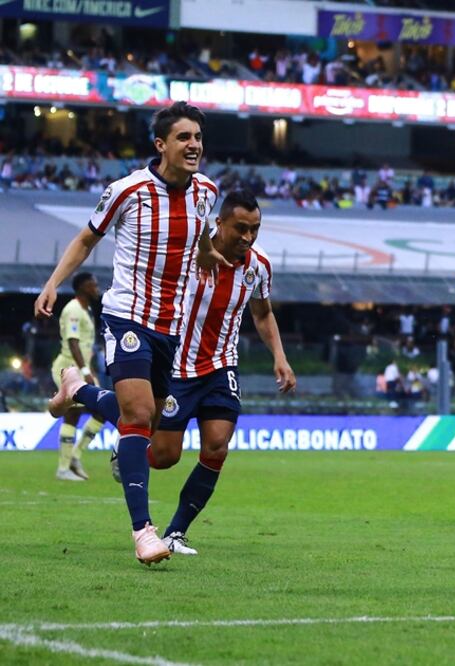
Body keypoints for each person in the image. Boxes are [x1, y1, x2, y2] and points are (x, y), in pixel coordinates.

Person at [38, 101, 226, 565]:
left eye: (198, 138)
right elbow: (86, 238)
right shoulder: (127, 190)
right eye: (184, 137)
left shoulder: (206, 192)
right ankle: (144, 531)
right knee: (138, 415)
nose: (194, 145)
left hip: (172, 327)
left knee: (149, 421)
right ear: (160, 145)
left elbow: (200, 237)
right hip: (127, 317)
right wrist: (52, 283)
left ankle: (78, 389)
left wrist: (207, 257)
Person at [64, 190, 296, 555]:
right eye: (241, 229)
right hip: (176, 367)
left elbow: (262, 313)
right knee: (163, 456)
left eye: (255, 229)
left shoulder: (259, 265)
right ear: (219, 223)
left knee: (218, 445)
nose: (248, 237)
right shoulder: (190, 256)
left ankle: (175, 532)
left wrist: (279, 356)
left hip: (221, 365)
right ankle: (81, 391)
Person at [51, 272, 106, 481]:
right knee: (73, 414)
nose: (97, 288)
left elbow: (84, 346)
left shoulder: (87, 310)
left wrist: (88, 369)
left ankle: (75, 456)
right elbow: (73, 343)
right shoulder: (73, 309)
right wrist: (84, 372)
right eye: (93, 285)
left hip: (83, 368)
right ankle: (64, 468)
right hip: (69, 368)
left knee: (102, 410)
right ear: (83, 287)